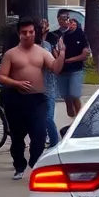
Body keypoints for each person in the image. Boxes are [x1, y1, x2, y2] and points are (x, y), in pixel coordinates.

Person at [0, 18, 66, 180]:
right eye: (24, 32)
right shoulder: (11, 54)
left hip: (37, 99)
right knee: (17, 136)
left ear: (36, 33)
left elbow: (55, 68)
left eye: (31, 32)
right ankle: (19, 165)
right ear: (19, 34)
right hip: (16, 99)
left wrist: (62, 53)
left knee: (40, 134)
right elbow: (1, 77)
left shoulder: (42, 52)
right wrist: (16, 83)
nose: (27, 35)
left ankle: (34, 161)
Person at [57, 14, 89, 119]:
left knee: (75, 95)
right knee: (66, 97)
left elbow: (84, 54)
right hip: (62, 70)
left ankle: (78, 119)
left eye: (73, 22)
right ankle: (72, 118)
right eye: (68, 21)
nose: (70, 24)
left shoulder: (80, 34)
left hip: (75, 69)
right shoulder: (59, 35)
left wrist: (71, 59)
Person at [38, 20, 63, 150]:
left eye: (45, 29)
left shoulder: (47, 44)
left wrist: (61, 52)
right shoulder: (29, 47)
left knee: (48, 117)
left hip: (48, 86)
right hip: (35, 88)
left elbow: (54, 65)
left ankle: (55, 143)